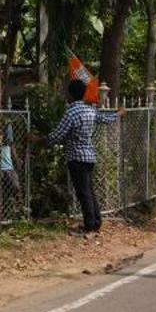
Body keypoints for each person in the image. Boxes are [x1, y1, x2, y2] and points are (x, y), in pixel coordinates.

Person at [38, 78, 101, 235]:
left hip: (76, 157)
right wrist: (118, 114)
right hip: (89, 156)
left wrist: (41, 140)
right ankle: (96, 222)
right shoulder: (90, 110)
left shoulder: (71, 112)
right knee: (90, 191)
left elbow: (58, 135)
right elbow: (105, 119)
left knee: (83, 192)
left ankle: (89, 225)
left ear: (71, 95)